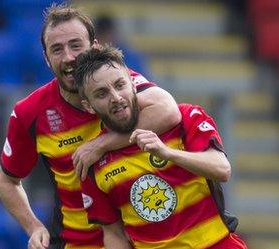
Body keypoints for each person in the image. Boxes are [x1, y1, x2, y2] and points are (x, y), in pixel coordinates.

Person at [0, 4, 181, 249]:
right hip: (78, 243)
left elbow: (169, 110)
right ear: (46, 58)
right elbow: (7, 181)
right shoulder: (29, 113)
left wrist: (101, 145)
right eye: (57, 49)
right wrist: (34, 226)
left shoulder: (120, 85)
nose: (69, 57)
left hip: (147, 239)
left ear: (94, 47)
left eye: (76, 45)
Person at [74, 45, 246, 248]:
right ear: (88, 106)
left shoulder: (184, 118)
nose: (116, 98)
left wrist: (168, 153)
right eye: (102, 94)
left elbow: (222, 169)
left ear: (132, 83)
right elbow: (113, 234)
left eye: (119, 85)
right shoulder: (91, 161)